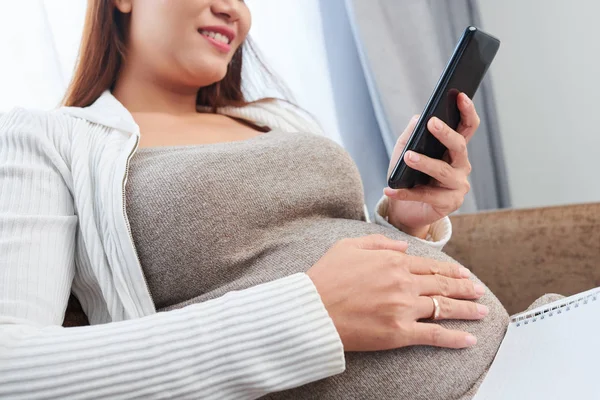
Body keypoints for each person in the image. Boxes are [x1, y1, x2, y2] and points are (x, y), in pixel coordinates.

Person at [0, 1, 513, 399]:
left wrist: (405, 222)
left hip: (516, 353)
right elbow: (11, 369)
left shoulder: (279, 119)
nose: (234, 10)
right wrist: (308, 314)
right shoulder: (51, 139)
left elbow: (348, 271)